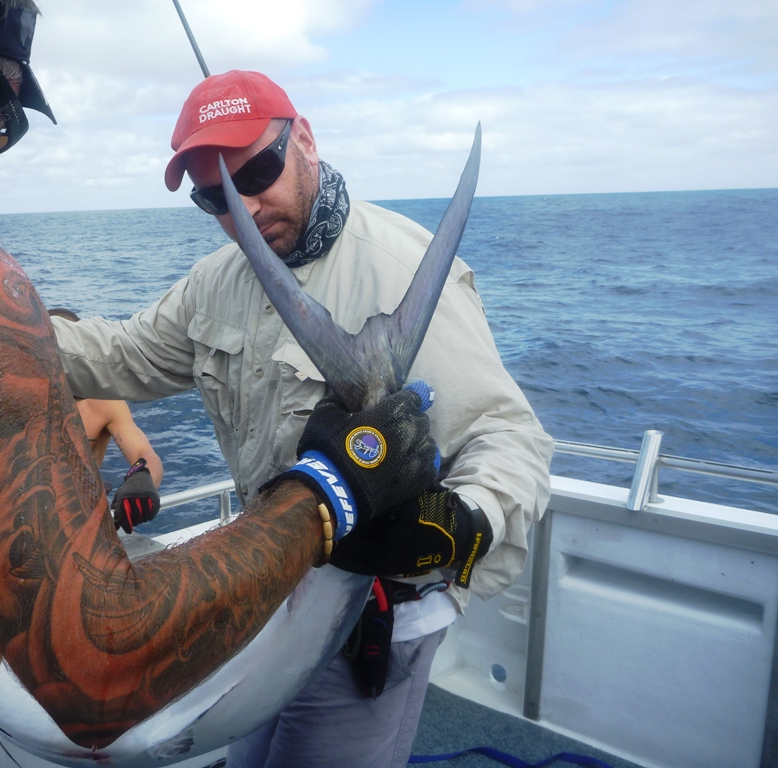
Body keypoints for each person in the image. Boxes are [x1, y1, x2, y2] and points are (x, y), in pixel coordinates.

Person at [0, 6, 440, 767]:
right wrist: (333, 488)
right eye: (5, 123)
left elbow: (505, 443)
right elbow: (101, 669)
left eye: (253, 175)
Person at [51, 70, 555, 768]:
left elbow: (511, 438)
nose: (245, 209)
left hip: (375, 619)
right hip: (268, 602)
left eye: (257, 170)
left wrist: (462, 524)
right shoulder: (217, 283)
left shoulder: (398, 266)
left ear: (307, 142)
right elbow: (119, 352)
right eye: (214, 197)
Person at [49, 307, 164, 532]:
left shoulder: (104, 403)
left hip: (82, 517)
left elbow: (145, 454)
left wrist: (142, 481)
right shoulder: (20, 400)